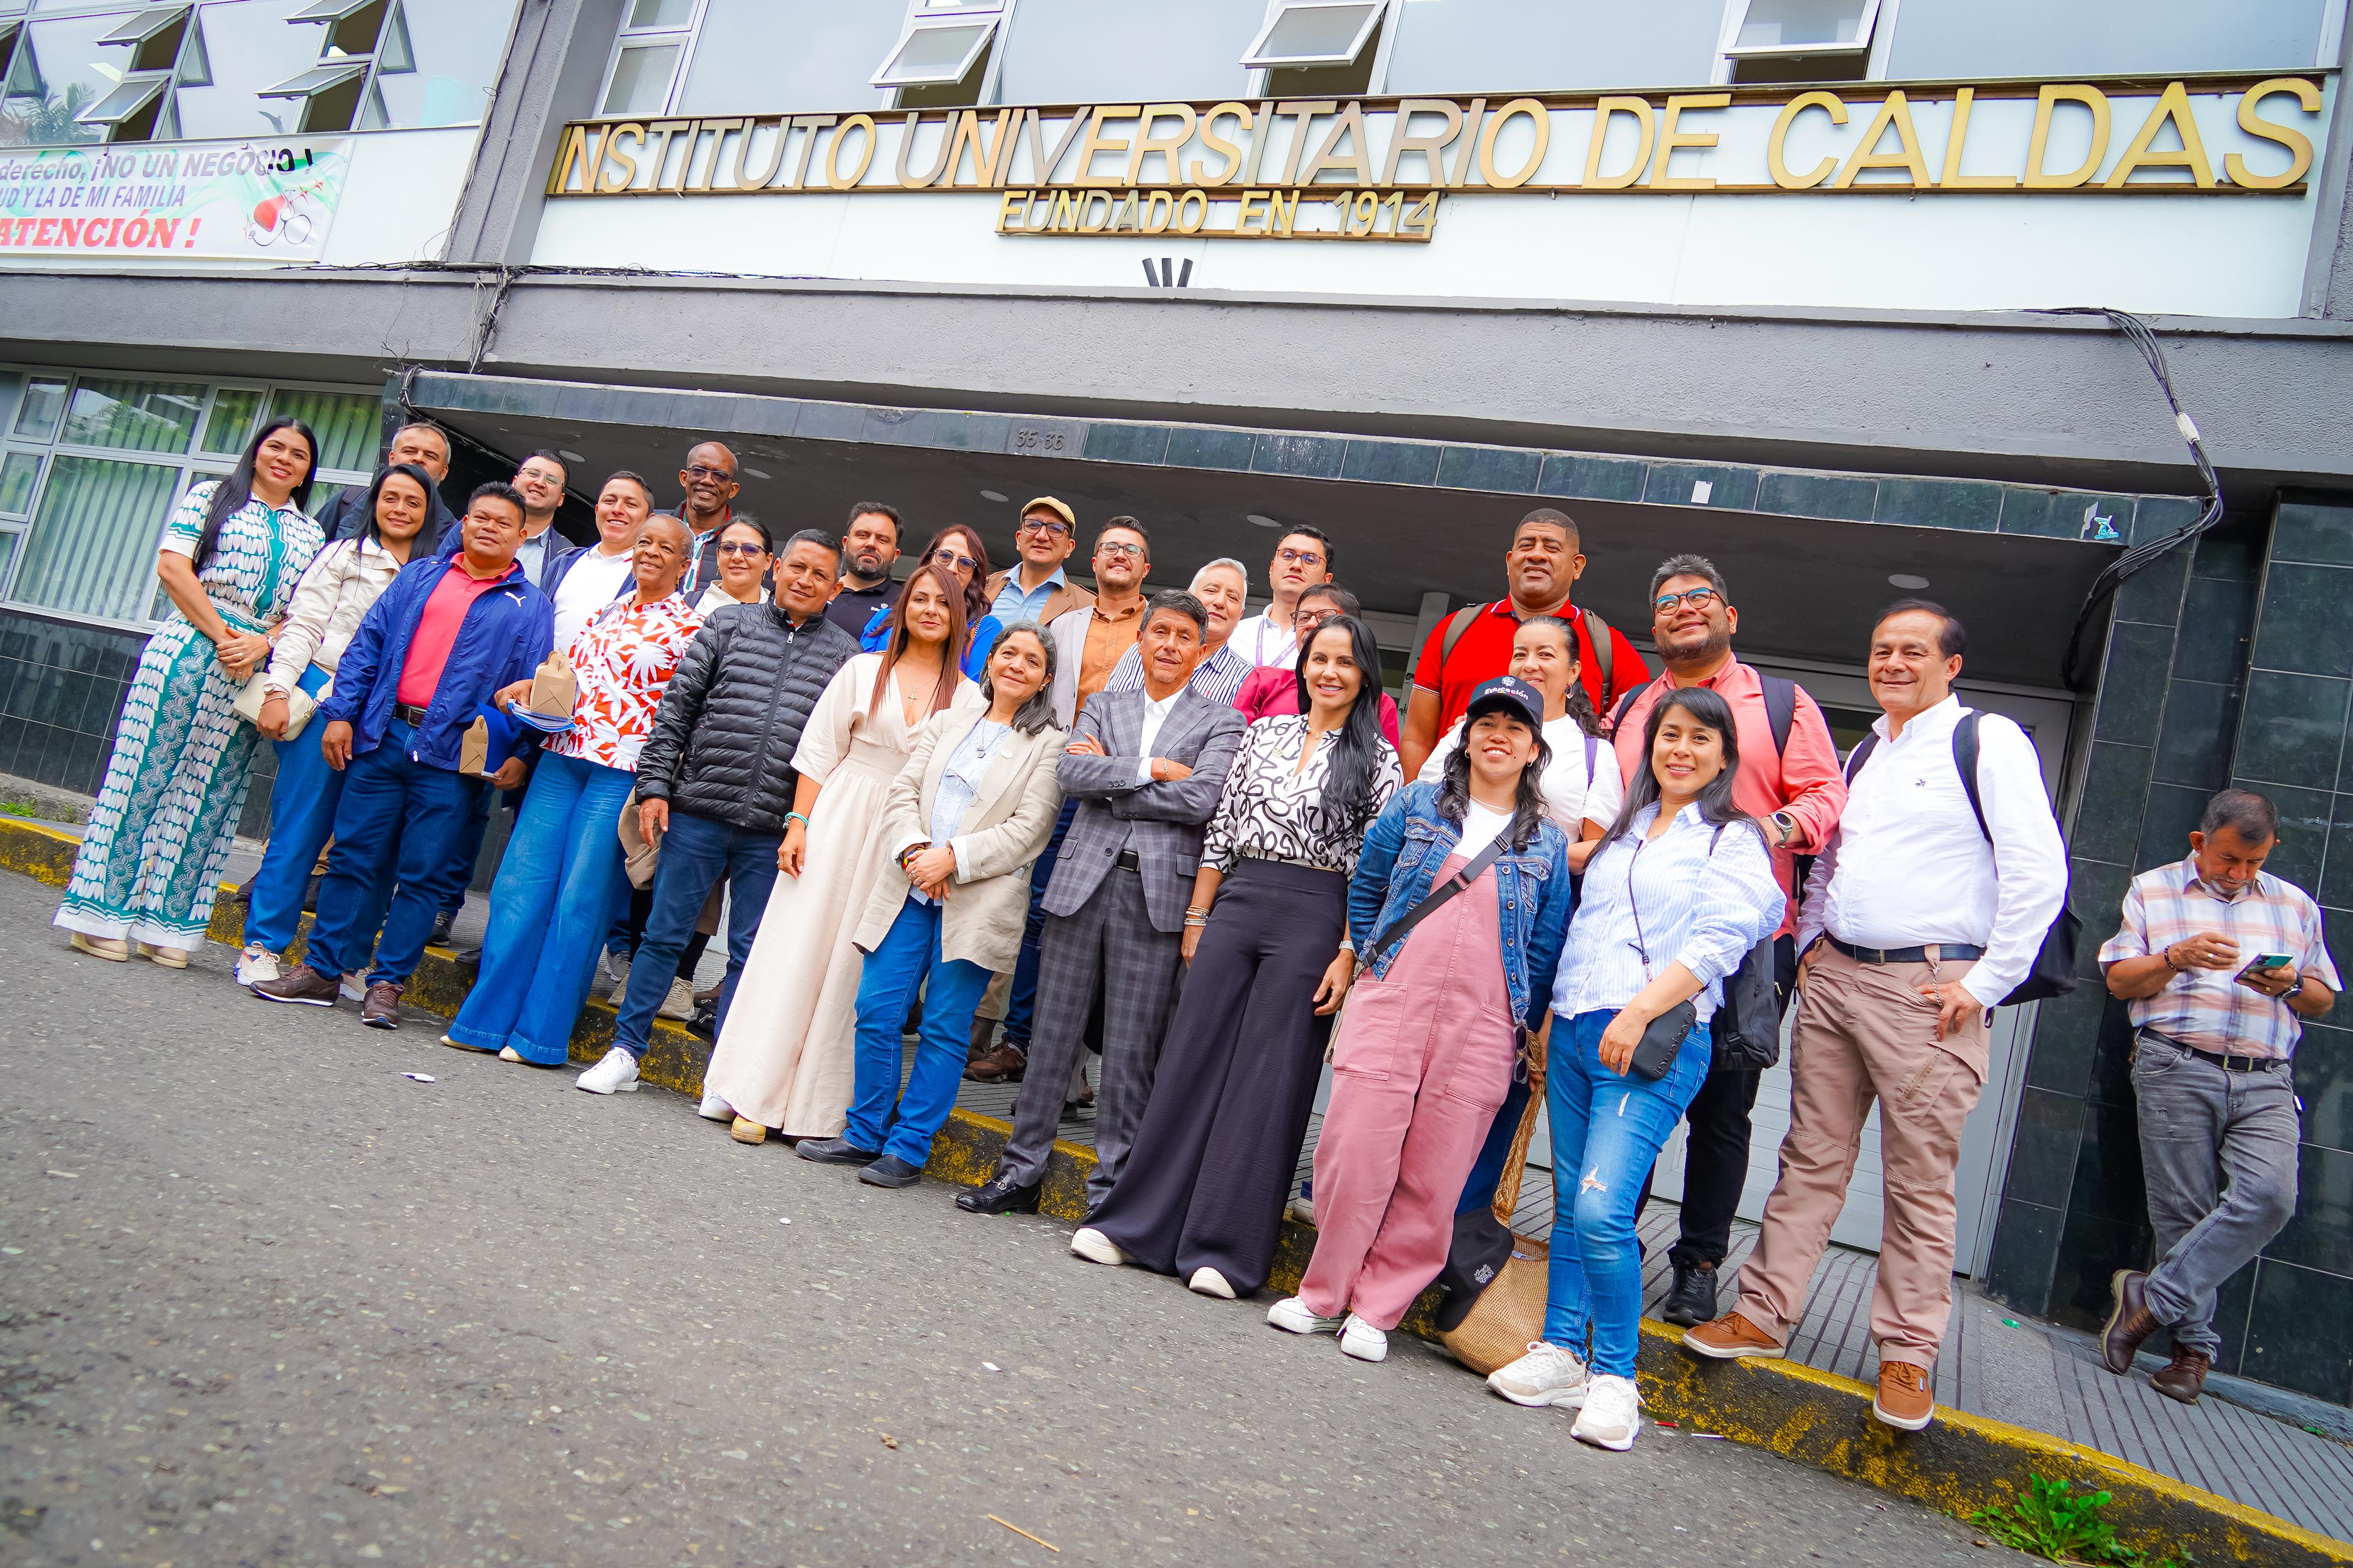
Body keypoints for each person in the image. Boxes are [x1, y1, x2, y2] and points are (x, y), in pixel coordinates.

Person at [1680, 601, 2067, 1431]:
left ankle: (1907, 1352)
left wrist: (1986, 983)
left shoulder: (1987, 741)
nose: (1892, 662)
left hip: (1931, 990)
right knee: (1809, 1156)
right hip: (1838, 978)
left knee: (1918, 1180)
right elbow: (1834, 859)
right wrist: (1814, 942)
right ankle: (1763, 1314)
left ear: (1950, 665)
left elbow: (2040, 872)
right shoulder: (1866, 749)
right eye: (1881, 649)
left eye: (1913, 651)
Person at [1488, 686, 1783, 1452]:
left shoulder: (1732, 839)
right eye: (1669, 735)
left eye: (1700, 738)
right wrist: (1548, 1024)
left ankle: (1616, 1377)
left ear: (1724, 755)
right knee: (1569, 1202)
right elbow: (1586, 930)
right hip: (1576, 1030)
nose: (1681, 750)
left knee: (1601, 1209)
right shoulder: (1623, 831)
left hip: (1651, 1038)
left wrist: (1638, 1010)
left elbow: (1723, 939)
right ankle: (1562, 1352)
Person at [1076, 614, 1401, 1297]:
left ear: (1365, 675)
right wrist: (1198, 914)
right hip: (1237, 900)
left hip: (1316, 917)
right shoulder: (1263, 733)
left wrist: (1348, 951)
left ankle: (1222, 1250)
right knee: (1188, 1058)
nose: (1329, 672)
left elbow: (1371, 868)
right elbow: (1221, 829)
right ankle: (1136, 1226)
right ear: (1302, 666)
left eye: (1345, 662)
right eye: (1320, 658)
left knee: (1268, 1081)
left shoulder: (1378, 761)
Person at [1266, 676, 1572, 1365]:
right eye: (1485, 723)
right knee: (1352, 1150)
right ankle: (1322, 1294)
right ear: (1465, 738)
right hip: (1393, 995)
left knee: (1436, 1174)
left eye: (1514, 727)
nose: (1497, 736)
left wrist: (1523, 1023)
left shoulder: (1547, 845)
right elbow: (1368, 885)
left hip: (1484, 1022)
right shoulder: (1414, 804)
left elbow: (1544, 946)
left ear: (1533, 749)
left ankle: (1378, 1308)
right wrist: (1371, 960)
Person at [1608, 554, 1847, 1329]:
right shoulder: (1632, 709)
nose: (1684, 607)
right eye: (1668, 601)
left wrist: (1765, 831)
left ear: (1729, 616)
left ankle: (1698, 1264)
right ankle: (1609, 1243)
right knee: (1629, 1091)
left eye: (1700, 596)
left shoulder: (1779, 703)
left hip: (1748, 942)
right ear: (1654, 626)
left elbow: (1826, 794)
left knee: (1721, 1112)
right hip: (1642, 934)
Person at [956, 592, 1247, 1217]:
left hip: (1156, 894)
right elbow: (1072, 775)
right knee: (1051, 1040)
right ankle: (1019, 1172)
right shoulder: (1103, 705)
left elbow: (1202, 800)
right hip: (1081, 886)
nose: (1169, 644)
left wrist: (1115, 775)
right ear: (1140, 640)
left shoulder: (1222, 722)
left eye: (1183, 636)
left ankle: (1110, 1192)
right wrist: (1155, 768)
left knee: (1130, 1050)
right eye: (1159, 631)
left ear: (1202, 652)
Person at [247, 483, 551, 1024]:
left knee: (422, 874)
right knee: (351, 857)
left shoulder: (531, 606)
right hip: (383, 736)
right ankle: (321, 970)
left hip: (453, 755)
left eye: (503, 523)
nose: (489, 528)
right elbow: (367, 645)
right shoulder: (420, 576)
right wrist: (341, 713)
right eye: (480, 517)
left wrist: (524, 752)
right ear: (464, 522)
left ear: (522, 535)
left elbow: (530, 685)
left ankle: (387, 984)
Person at [702, 564, 977, 1142]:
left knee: (854, 969)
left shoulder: (970, 698)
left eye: (942, 602)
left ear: (959, 617)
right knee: (796, 950)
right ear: (903, 609)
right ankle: (753, 1090)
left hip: (904, 834)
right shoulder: (862, 670)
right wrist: (798, 824)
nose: (930, 610)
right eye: (919, 599)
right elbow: (818, 750)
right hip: (838, 814)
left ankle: (816, 1110)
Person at [796, 623, 1066, 1185]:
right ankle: (864, 1132)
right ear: (990, 662)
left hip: (976, 901)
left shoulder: (1049, 744)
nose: (1016, 665)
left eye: (1031, 660)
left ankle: (909, 1148)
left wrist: (952, 859)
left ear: (1045, 679)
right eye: (1008, 653)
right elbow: (902, 791)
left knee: (944, 1028)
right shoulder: (950, 720)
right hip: (909, 886)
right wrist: (916, 851)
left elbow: (1029, 830)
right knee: (876, 1009)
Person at [594, 530, 860, 1094]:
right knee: (662, 936)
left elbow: (838, 751)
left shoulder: (846, 656)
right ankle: (625, 1051)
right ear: (777, 568)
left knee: (752, 954)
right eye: (798, 567)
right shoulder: (727, 624)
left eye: (820, 574)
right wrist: (655, 786)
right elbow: (676, 710)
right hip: (697, 811)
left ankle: (725, 1077)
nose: (805, 580)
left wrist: (806, 824)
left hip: (774, 830)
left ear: (835, 588)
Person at [2097, 788, 2338, 1406]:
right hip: (2174, 1062)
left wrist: (2288, 984)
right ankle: (2192, 1352)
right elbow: (2118, 980)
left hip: (2265, 1076)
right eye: (2228, 859)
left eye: (2253, 862)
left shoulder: (2295, 905)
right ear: (2199, 842)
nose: (2238, 873)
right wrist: (2175, 957)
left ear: (2272, 849)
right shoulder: (2153, 889)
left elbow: (2322, 998)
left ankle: (2149, 1300)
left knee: (2270, 1196)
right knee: (2181, 1212)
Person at [57, 418, 325, 966]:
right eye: (275, 446)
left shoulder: (313, 535)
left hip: (253, 667)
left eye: (298, 454)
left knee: (211, 796)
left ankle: (169, 928)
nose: (285, 458)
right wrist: (225, 636)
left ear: (307, 471)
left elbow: (307, 612)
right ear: (256, 451)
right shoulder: (211, 496)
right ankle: (96, 917)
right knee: (144, 778)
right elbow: (173, 568)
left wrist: (261, 643)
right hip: (186, 650)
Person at [447, 515, 700, 1070]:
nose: (650, 552)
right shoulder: (610, 609)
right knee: (519, 888)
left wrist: (659, 784)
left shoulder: (690, 629)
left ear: (685, 565)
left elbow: (683, 716)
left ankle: (540, 1036)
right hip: (562, 756)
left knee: (580, 901)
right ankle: (482, 1021)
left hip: (621, 770)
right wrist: (532, 686)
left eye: (665, 547)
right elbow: (581, 680)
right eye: (644, 542)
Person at [971, 517, 1156, 1083]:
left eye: (1131, 550)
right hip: (1057, 776)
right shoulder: (1064, 624)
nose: (1119, 555)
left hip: (1125, 789)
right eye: (1109, 547)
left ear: (1146, 567)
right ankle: (1018, 1040)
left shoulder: (1158, 630)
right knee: (1040, 911)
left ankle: (1072, 1061)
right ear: (1092, 562)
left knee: (1102, 925)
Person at [234, 460, 432, 987]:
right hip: (323, 698)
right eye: (390, 498)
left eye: (413, 502)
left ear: (429, 512)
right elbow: (302, 626)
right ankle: (262, 946)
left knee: (373, 845)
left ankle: (348, 958)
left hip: (386, 718)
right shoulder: (344, 553)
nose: (400, 509)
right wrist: (278, 690)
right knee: (302, 829)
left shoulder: (435, 572)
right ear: (374, 503)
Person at [600, 514, 772, 1012]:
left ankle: (681, 978)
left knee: (710, 882)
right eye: (729, 547)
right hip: (675, 757)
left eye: (750, 549)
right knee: (655, 859)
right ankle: (640, 969)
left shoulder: (777, 617)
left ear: (769, 561)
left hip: (735, 770)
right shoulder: (688, 605)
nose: (738, 556)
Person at [1401, 507, 1648, 778]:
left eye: (1551, 547)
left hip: (1555, 801)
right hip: (1450, 797)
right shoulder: (1454, 629)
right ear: (1510, 561)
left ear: (1576, 566)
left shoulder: (1609, 646)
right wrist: (1414, 802)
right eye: (1526, 545)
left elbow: (1634, 749)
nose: (1537, 555)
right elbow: (1417, 738)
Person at [1419, 615, 1618, 857]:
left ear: (1573, 672)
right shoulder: (1473, 730)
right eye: (1520, 655)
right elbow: (1420, 805)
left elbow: (1597, 850)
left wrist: (1520, 860)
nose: (1530, 665)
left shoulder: (1597, 753)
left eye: (1545, 655)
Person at [1232, 584, 1399, 746]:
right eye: (1304, 617)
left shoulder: (1380, 705)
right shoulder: (1264, 681)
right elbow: (1234, 750)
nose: (1310, 624)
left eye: (1325, 617)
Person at [1104, 558, 1253, 706]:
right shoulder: (1139, 652)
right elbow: (1107, 711)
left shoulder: (1246, 679)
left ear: (1240, 614)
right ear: (1189, 597)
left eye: (1232, 598)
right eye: (1211, 591)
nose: (1220, 602)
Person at [862, 524, 1002, 679]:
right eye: (945, 556)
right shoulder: (883, 618)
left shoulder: (985, 628)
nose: (952, 568)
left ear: (974, 576)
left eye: (965, 563)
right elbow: (861, 677)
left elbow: (972, 690)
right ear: (929, 560)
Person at [544, 472, 654, 653]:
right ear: (597, 510)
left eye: (631, 504)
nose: (617, 509)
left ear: (649, 521)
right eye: (610, 501)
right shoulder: (564, 563)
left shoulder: (651, 579)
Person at [325, 421, 456, 552]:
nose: (419, 459)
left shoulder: (454, 533)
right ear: (392, 459)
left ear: (444, 472)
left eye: (430, 456)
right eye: (410, 451)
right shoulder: (348, 500)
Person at [1229, 526, 1334, 668]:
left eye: (1310, 560)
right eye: (1288, 556)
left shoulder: (1332, 641)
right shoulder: (1233, 634)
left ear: (1326, 580)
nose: (1296, 565)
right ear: (1271, 568)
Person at [986, 497, 1093, 627]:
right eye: (1033, 525)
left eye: (1055, 529)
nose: (1042, 536)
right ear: (1019, 539)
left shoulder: (1088, 607)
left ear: (1069, 548)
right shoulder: (981, 587)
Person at [820, 501, 903, 638]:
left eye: (882, 540)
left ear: (895, 555)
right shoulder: (819, 589)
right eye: (863, 535)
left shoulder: (905, 602)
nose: (871, 544)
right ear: (845, 544)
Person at [675, 441, 742, 595]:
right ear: (684, 478)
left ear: (732, 490)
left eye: (720, 476)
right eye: (698, 471)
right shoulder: (650, 528)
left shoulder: (745, 547)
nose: (707, 480)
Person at [507, 450, 570, 589]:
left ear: (561, 499)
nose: (540, 483)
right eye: (533, 473)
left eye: (552, 480)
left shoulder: (568, 556)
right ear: (514, 482)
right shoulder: (477, 525)